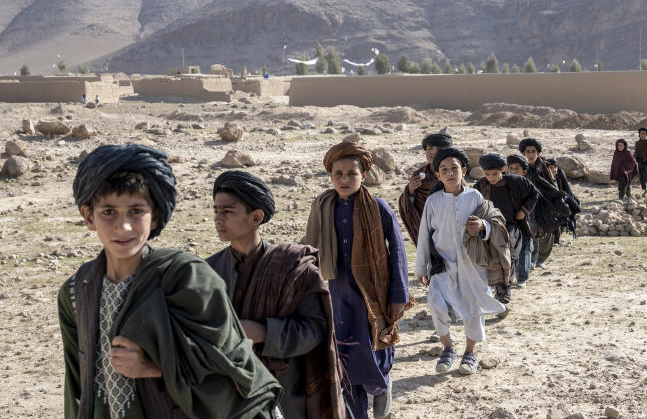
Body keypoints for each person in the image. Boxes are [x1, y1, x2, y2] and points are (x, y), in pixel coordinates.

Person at [59, 144, 281, 419]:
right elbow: (78, 382)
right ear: (88, 216)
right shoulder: (75, 291)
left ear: (155, 216)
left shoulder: (187, 277)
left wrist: (155, 366)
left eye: (137, 211)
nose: (124, 226)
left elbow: (235, 368)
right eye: (108, 212)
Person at [207, 171, 344, 419]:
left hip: (286, 393)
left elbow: (314, 329)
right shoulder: (207, 272)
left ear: (256, 217)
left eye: (227, 211)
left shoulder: (293, 268)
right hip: (226, 396)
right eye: (216, 211)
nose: (218, 219)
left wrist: (263, 332)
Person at [302, 142, 412, 419]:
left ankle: (381, 386)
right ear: (330, 176)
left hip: (374, 292)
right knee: (345, 356)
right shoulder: (322, 206)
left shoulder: (378, 207)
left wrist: (398, 295)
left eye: (352, 173)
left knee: (376, 348)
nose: (344, 179)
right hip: (339, 293)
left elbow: (397, 250)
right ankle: (356, 411)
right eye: (338, 173)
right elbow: (310, 246)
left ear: (364, 175)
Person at [415, 148, 508, 376]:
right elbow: (424, 235)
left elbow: (493, 222)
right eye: (444, 170)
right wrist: (421, 267)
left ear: (464, 170)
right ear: (437, 175)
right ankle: (448, 347)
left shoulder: (475, 197)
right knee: (436, 303)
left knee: (473, 308)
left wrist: (482, 227)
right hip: (442, 264)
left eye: (454, 168)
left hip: (472, 265)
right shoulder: (434, 200)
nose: (449, 173)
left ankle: (470, 352)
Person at [473, 153, 538, 302]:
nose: (492, 178)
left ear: (503, 169)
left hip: (511, 226)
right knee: (492, 258)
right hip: (489, 227)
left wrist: (523, 211)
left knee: (510, 256)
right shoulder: (481, 185)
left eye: (495, 174)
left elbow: (534, 194)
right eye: (487, 174)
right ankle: (495, 288)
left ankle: (504, 292)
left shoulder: (516, 181)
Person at [519, 138, 574, 267]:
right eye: (528, 151)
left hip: (545, 203)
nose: (531, 154)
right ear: (523, 153)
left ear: (538, 153)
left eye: (534, 151)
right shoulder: (520, 166)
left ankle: (542, 258)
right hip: (527, 203)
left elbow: (552, 185)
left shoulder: (544, 166)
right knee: (530, 229)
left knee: (547, 230)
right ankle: (532, 258)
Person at [398, 132, 451, 244]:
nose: (432, 152)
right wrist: (410, 190)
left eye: (438, 149)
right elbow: (408, 204)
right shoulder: (419, 174)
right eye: (429, 149)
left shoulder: (453, 173)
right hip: (425, 227)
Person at [505, 154, 538, 286]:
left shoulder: (526, 184)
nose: (513, 171)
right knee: (510, 249)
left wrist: (523, 211)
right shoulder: (503, 183)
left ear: (524, 171)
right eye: (511, 168)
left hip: (524, 221)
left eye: (516, 169)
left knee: (525, 247)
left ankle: (523, 278)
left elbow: (534, 196)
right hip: (509, 221)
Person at [610, 139, 639, 204]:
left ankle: (621, 199)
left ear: (624, 146)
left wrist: (624, 166)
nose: (619, 147)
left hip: (626, 172)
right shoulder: (616, 152)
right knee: (625, 185)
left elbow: (633, 162)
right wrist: (614, 170)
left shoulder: (627, 153)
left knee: (622, 186)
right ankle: (629, 195)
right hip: (619, 172)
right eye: (618, 145)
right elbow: (614, 162)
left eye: (621, 145)